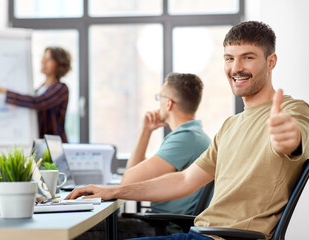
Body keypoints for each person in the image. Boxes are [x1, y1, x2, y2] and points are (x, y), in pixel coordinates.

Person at [66, 21, 309, 240]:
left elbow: (292, 137)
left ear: (271, 62)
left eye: (248, 57)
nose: (236, 67)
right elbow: (185, 180)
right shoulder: (230, 126)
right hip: (199, 234)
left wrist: (287, 139)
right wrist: (113, 191)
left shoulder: (293, 111)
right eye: (229, 58)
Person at [76, 73, 211, 239]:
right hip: (161, 223)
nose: (158, 102)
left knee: (79, 230)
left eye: (160, 97)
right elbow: (132, 173)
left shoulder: (185, 138)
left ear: (168, 103)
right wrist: (145, 131)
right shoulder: (193, 135)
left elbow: (129, 181)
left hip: (162, 227)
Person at [0, 47, 71, 143]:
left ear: (59, 64)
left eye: (49, 59)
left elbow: (38, 102)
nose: (43, 61)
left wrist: (1, 90)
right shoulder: (39, 89)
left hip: (54, 144)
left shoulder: (61, 88)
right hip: (39, 142)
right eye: (43, 58)